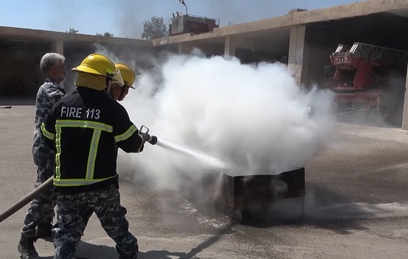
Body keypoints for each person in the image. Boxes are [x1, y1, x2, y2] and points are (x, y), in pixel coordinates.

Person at [41, 53, 154, 259]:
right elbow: (132, 145)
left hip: (67, 187)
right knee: (120, 234)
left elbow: (48, 138)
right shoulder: (112, 109)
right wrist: (141, 140)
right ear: (104, 80)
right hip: (101, 188)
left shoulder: (61, 105)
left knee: (66, 237)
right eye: (110, 80)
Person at [18, 52, 66, 259]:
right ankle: (25, 240)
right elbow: (68, 105)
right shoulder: (49, 90)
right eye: (62, 67)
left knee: (53, 191)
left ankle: (44, 226)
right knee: (44, 194)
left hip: (50, 148)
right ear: (53, 69)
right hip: (47, 149)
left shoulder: (53, 88)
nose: (65, 70)